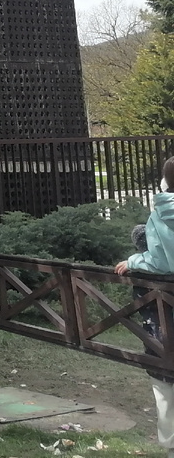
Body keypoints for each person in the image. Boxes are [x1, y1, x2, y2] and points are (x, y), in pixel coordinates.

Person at [115, 157, 174, 458]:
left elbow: (162, 261)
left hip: (163, 304)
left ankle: (170, 441)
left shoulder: (161, 214)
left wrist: (135, 261)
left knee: (163, 371)